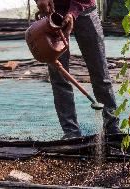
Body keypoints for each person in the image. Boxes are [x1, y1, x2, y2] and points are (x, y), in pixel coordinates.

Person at [35, 0, 120, 139]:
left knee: (100, 71)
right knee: (59, 76)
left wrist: (73, 12)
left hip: (84, 9)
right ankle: (71, 132)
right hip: (53, 11)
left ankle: (112, 127)